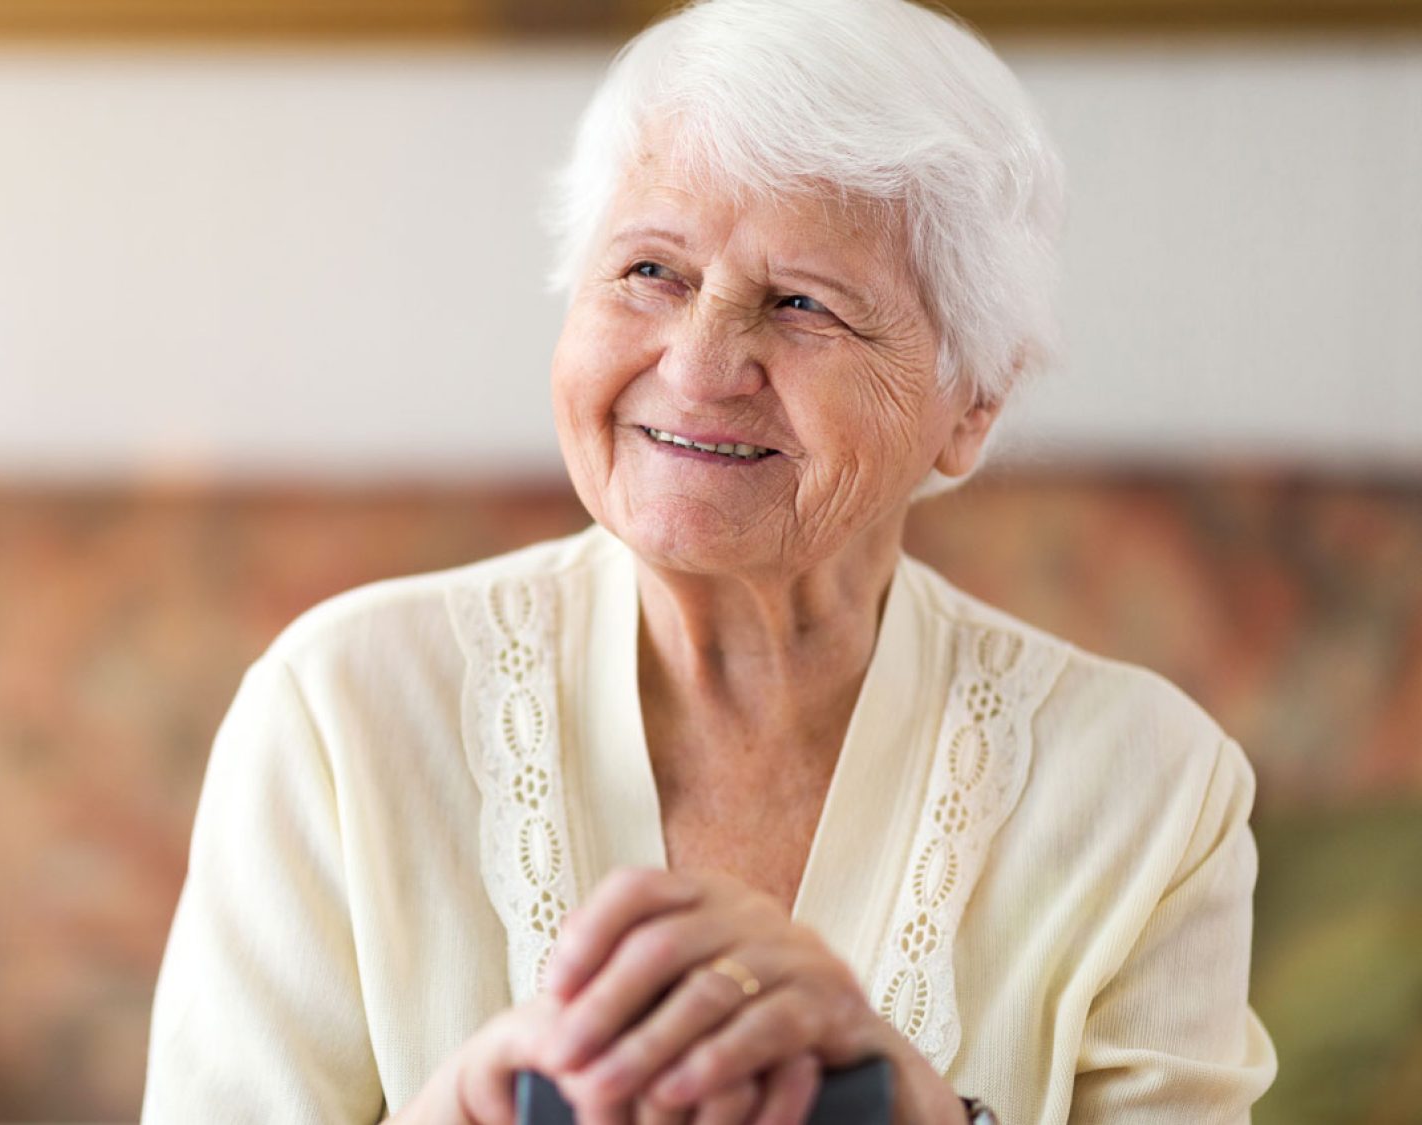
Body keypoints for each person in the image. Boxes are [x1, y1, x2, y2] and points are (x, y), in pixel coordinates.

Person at [142, 0, 1278, 1121]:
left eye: (800, 304)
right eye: (650, 272)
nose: (699, 364)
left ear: (971, 403)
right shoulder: (340, 708)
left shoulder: (1146, 788)